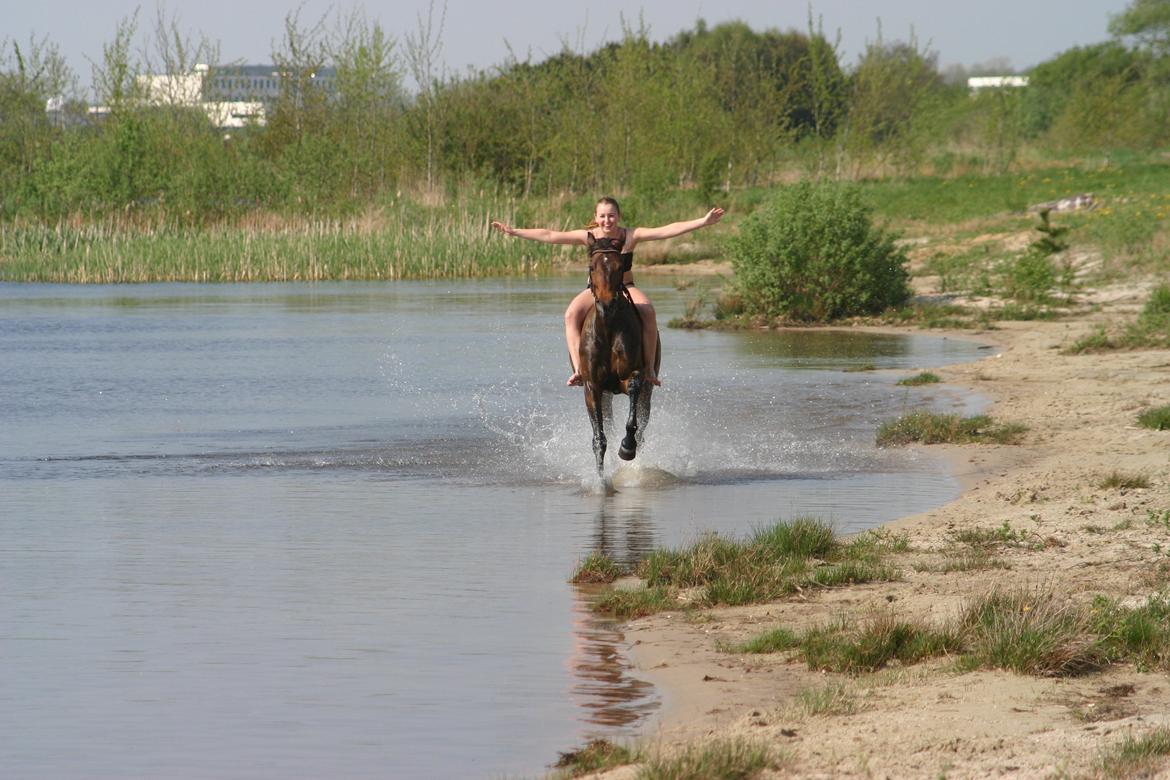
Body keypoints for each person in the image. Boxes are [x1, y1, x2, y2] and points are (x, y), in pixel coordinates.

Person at [491, 197, 724, 387]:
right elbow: (550, 235)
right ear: (596, 217)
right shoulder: (588, 236)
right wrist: (514, 231)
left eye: (611, 215)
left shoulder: (630, 235)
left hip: (626, 288)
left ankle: (649, 369)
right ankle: (579, 370)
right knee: (571, 315)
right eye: (602, 216)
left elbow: (667, 230)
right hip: (595, 291)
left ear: (618, 216)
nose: (607, 220)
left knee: (649, 312)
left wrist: (703, 222)